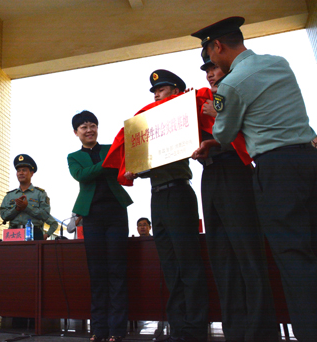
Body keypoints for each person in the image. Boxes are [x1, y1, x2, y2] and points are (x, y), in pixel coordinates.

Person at [192, 16, 317, 341]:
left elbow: (224, 132)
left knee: (294, 258)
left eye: (209, 54)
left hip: (276, 171)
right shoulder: (279, 63)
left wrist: (215, 113)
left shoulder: (230, 85)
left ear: (218, 46)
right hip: (309, 158)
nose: (211, 62)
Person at [190, 53, 281, 342]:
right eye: (206, 70)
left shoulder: (239, 93)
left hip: (236, 172)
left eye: (214, 67)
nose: (209, 74)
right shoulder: (201, 101)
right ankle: (235, 331)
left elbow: (252, 132)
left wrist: (218, 116)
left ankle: (261, 333)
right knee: (222, 258)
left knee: (248, 256)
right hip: (210, 174)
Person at [124, 71, 208, 342]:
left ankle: (195, 331)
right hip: (157, 197)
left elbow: (176, 151)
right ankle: (178, 329)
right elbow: (149, 161)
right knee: (170, 266)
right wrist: (135, 168)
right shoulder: (152, 127)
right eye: (154, 91)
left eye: (161, 89)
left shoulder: (179, 120)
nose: (156, 95)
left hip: (178, 193)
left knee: (188, 264)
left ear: (176, 91)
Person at [68, 111, 133, 342]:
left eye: (92, 125)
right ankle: (98, 329)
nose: (89, 130)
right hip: (91, 216)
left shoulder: (111, 148)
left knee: (117, 271)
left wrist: (112, 163)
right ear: (76, 132)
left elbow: (124, 166)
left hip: (116, 212)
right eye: (84, 127)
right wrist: (107, 164)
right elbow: (82, 175)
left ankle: (117, 330)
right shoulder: (73, 157)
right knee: (97, 272)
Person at [0, 154, 59, 240]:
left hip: (34, 233)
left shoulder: (40, 194)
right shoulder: (10, 195)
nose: (21, 173)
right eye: (18, 171)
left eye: (24, 170)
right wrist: (17, 209)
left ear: (31, 173)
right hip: (14, 233)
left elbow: (45, 215)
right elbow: (4, 216)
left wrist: (27, 207)